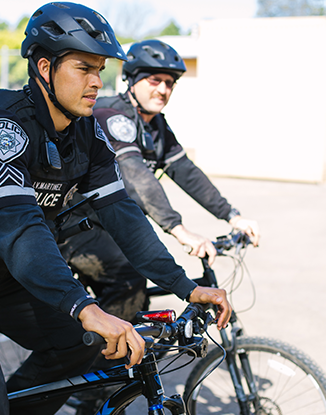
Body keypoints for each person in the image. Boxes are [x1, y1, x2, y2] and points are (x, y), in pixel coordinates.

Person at [0, 4, 231, 415]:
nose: (96, 82)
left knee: (77, 346)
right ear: (44, 67)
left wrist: (185, 285)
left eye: (99, 70)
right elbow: (19, 230)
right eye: (83, 68)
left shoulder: (85, 133)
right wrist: (85, 307)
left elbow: (123, 215)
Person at [61, 38, 261, 345]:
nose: (163, 90)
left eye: (170, 83)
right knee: (128, 281)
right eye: (154, 80)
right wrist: (179, 230)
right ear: (132, 79)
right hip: (76, 227)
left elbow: (186, 173)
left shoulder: (156, 126)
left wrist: (232, 216)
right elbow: (136, 175)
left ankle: (121, 361)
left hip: (112, 227)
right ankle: (87, 376)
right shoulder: (111, 116)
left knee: (138, 295)